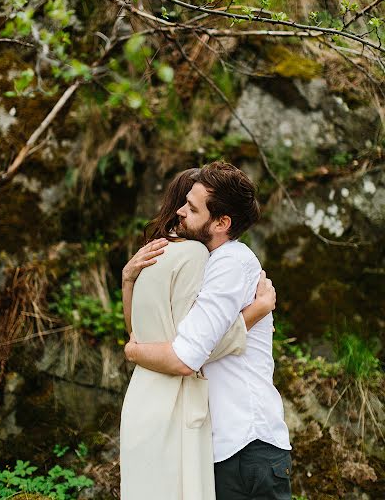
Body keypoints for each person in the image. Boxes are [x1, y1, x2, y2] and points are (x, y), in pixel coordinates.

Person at [125, 161, 292, 500]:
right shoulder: (202, 261)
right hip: (218, 448)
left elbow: (186, 356)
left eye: (192, 207)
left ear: (221, 222)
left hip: (248, 446)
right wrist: (129, 279)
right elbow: (166, 332)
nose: (180, 212)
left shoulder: (231, 263)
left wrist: (133, 351)